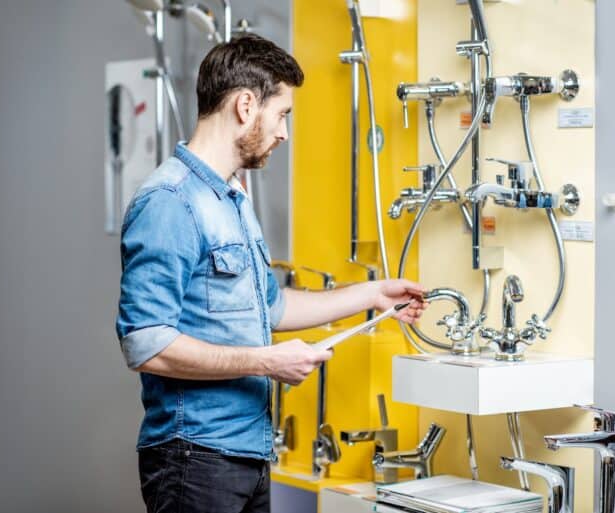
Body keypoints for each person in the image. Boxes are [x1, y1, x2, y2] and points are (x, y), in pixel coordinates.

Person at [116, 34, 427, 513]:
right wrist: (267, 362)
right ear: (245, 105)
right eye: (282, 114)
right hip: (194, 460)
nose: (283, 132)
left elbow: (273, 306)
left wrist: (373, 294)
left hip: (246, 454)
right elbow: (147, 343)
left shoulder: (234, 199)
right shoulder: (170, 203)